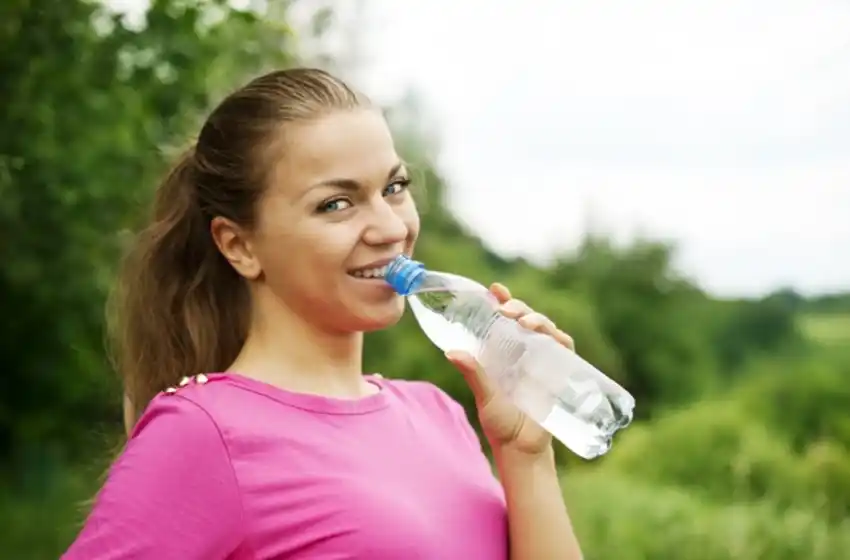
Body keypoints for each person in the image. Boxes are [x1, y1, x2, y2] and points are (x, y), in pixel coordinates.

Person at [62, 67, 583, 560]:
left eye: (394, 188)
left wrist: (526, 456)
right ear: (239, 245)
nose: (390, 228)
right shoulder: (202, 432)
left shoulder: (437, 415)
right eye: (336, 204)